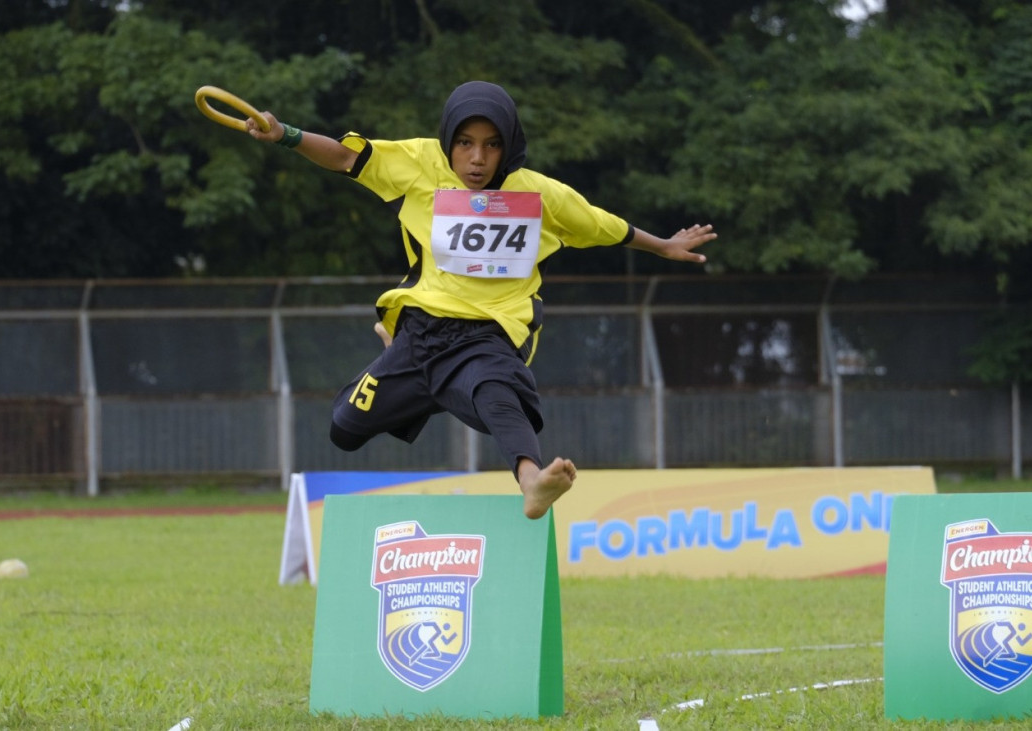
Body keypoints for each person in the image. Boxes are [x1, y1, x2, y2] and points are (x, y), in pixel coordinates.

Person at [246, 81, 716, 519]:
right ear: (448, 140)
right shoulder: (418, 163)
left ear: (508, 146)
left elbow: (605, 226)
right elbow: (345, 156)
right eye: (465, 143)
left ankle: (532, 482)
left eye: (492, 145)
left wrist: (664, 246)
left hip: (488, 334)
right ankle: (420, 372)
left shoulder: (539, 194)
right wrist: (285, 134)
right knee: (344, 429)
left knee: (497, 394)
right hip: (420, 332)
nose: (477, 158)